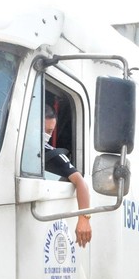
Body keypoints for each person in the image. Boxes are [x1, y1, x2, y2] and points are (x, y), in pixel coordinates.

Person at [44, 104, 92, 247]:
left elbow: (80, 181)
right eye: (43, 130)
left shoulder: (50, 153)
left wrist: (84, 218)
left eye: (49, 131)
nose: (46, 135)